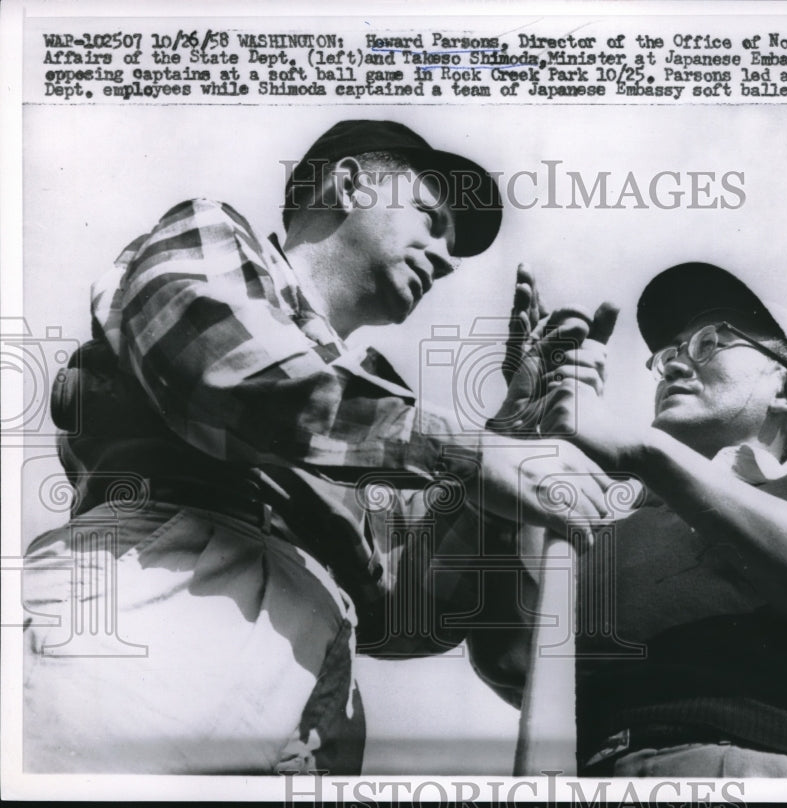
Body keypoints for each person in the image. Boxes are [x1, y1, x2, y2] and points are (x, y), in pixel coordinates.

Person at [21, 119, 616, 774]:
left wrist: (514, 427)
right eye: (428, 217)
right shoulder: (211, 235)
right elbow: (217, 366)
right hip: (156, 607)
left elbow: (404, 612)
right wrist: (466, 452)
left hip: (311, 687)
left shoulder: (372, 423)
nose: (446, 258)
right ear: (349, 184)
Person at [467, 261, 787, 778]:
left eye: (709, 343)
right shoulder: (600, 521)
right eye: (669, 355)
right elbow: (514, 663)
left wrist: (645, 451)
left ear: (786, 388)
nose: (676, 367)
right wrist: (513, 446)